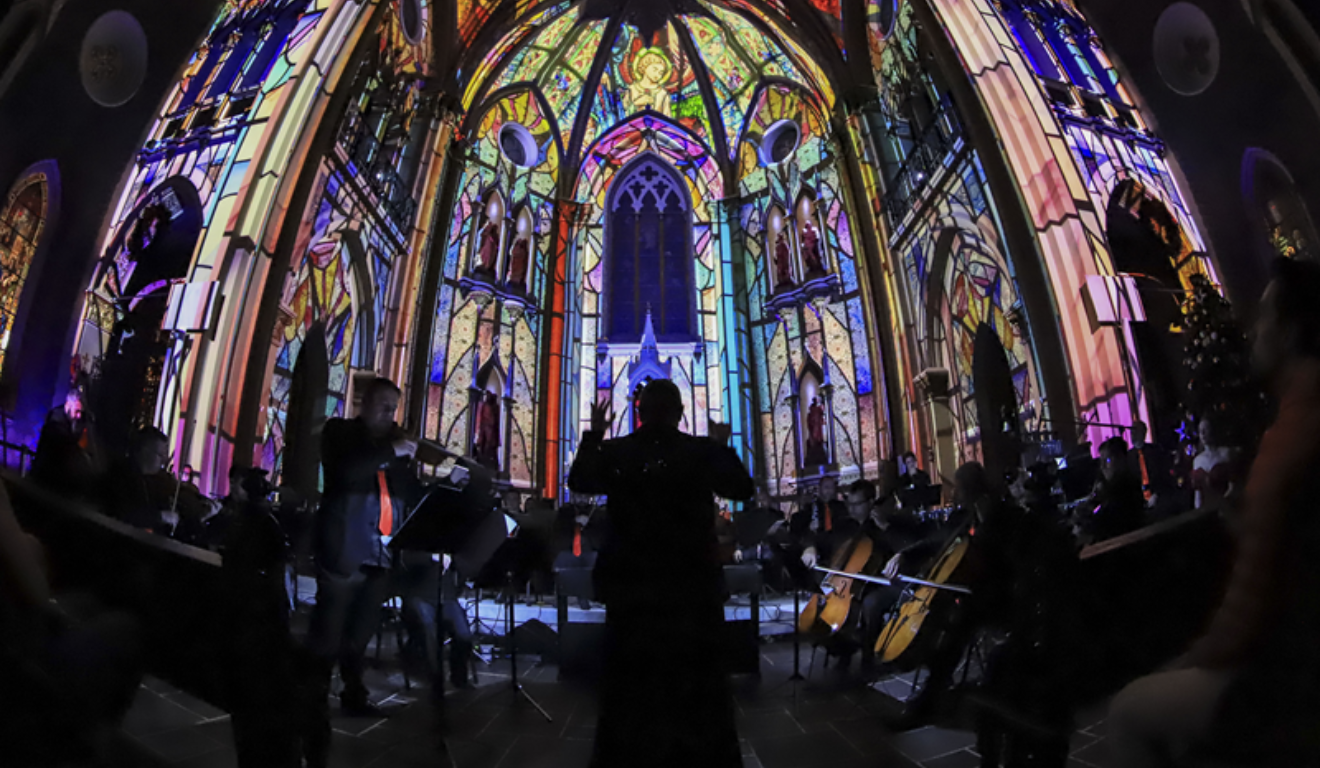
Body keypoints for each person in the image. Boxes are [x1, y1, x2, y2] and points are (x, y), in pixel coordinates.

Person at [1109, 257, 1320, 766]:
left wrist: (1192, 661)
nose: (1254, 330)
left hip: (1294, 683)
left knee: (1128, 712)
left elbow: (1249, 611)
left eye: (1266, 316)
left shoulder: (1290, 438)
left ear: (1290, 332)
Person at [568, 379, 753, 768]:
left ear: (638, 413)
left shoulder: (618, 450)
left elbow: (580, 481)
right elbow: (742, 488)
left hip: (633, 589)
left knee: (630, 686)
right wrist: (721, 445)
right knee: (697, 686)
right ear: (681, 412)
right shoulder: (700, 451)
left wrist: (594, 434)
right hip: (690, 588)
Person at [306, 377, 421, 727]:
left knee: (362, 630)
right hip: (346, 547)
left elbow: (407, 493)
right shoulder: (340, 433)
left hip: (382, 553)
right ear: (364, 404)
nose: (390, 414)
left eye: (394, 408)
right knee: (329, 629)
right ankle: (311, 699)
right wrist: (392, 452)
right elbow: (346, 474)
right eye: (383, 406)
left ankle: (354, 693)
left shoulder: (394, 445)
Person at [104, 426, 178, 534]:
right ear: (145, 451)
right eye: (160, 455)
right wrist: (161, 516)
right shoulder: (123, 474)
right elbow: (126, 513)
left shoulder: (146, 479)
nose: (163, 462)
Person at [30, 387, 101, 499]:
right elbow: (63, 447)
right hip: (46, 478)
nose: (79, 416)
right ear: (68, 405)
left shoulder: (76, 420)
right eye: (77, 411)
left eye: (80, 412)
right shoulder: (55, 419)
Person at [1190, 417, 1241, 512]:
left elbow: (1233, 487)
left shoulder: (1226, 453)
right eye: (1200, 431)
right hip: (1206, 513)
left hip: (1225, 509)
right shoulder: (1197, 461)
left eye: (1206, 429)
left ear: (1212, 431)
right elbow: (1198, 496)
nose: (1203, 434)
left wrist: (1222, 505)